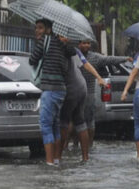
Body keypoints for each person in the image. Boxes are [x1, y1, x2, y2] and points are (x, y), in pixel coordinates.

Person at [29, 18, 78, 167]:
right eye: (36, 28)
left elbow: (32, 60)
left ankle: (49, 162)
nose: (38, 31)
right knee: (55, 125)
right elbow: (72, 51)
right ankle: (56, 160)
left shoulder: (44, 41)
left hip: (50, 90)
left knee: (45, 125)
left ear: (48, 29)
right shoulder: (61, 42)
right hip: (61, 90)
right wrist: (66, 41)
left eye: (41, 28)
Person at [57, 45, 109, 163]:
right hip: (81, 87)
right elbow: (85, 64)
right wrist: (99, 77)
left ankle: (58, 157)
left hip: (71, 88)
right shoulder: (75, 51)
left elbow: (86, 65)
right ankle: (85, 157)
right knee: (79, 122)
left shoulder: (64, 49)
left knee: (64, 122)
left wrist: (99, 77)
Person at [77, 39, 130, 150]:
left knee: (89, 121)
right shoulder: (73, 55)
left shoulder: (95, 57)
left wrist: (125, 58)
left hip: (89, 92)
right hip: (75, 92)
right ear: (78, 44)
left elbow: (109, 59)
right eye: (83, 43)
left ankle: (89, 146)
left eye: (88, 43)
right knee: (73, 121)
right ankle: (73, 144)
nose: (86, 45)